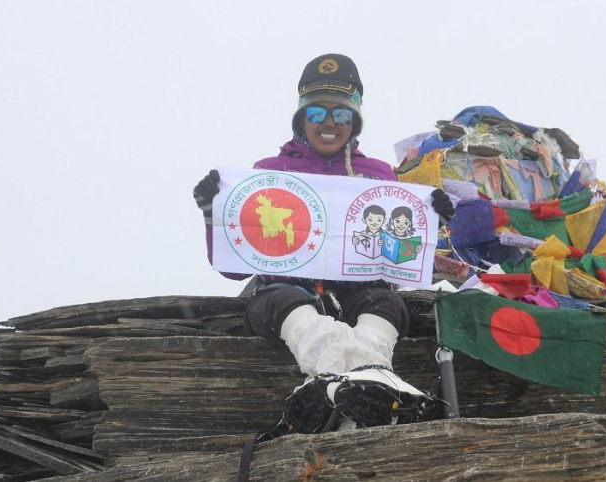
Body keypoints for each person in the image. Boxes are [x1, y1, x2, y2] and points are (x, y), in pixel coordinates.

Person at [192, 54, 455, 438]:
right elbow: (234, 266)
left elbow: (400, 258)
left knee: (387, 303)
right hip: (285, 290)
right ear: (301, 119)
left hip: (360, 288)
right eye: (316, 113)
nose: (329, 124)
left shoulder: (378, 176)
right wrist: (213, 213)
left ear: (355, 122)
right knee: (281, 301)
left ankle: (341, 389)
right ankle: (369, 383)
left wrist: (432, 223)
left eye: (342, 115)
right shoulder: (269, 173)